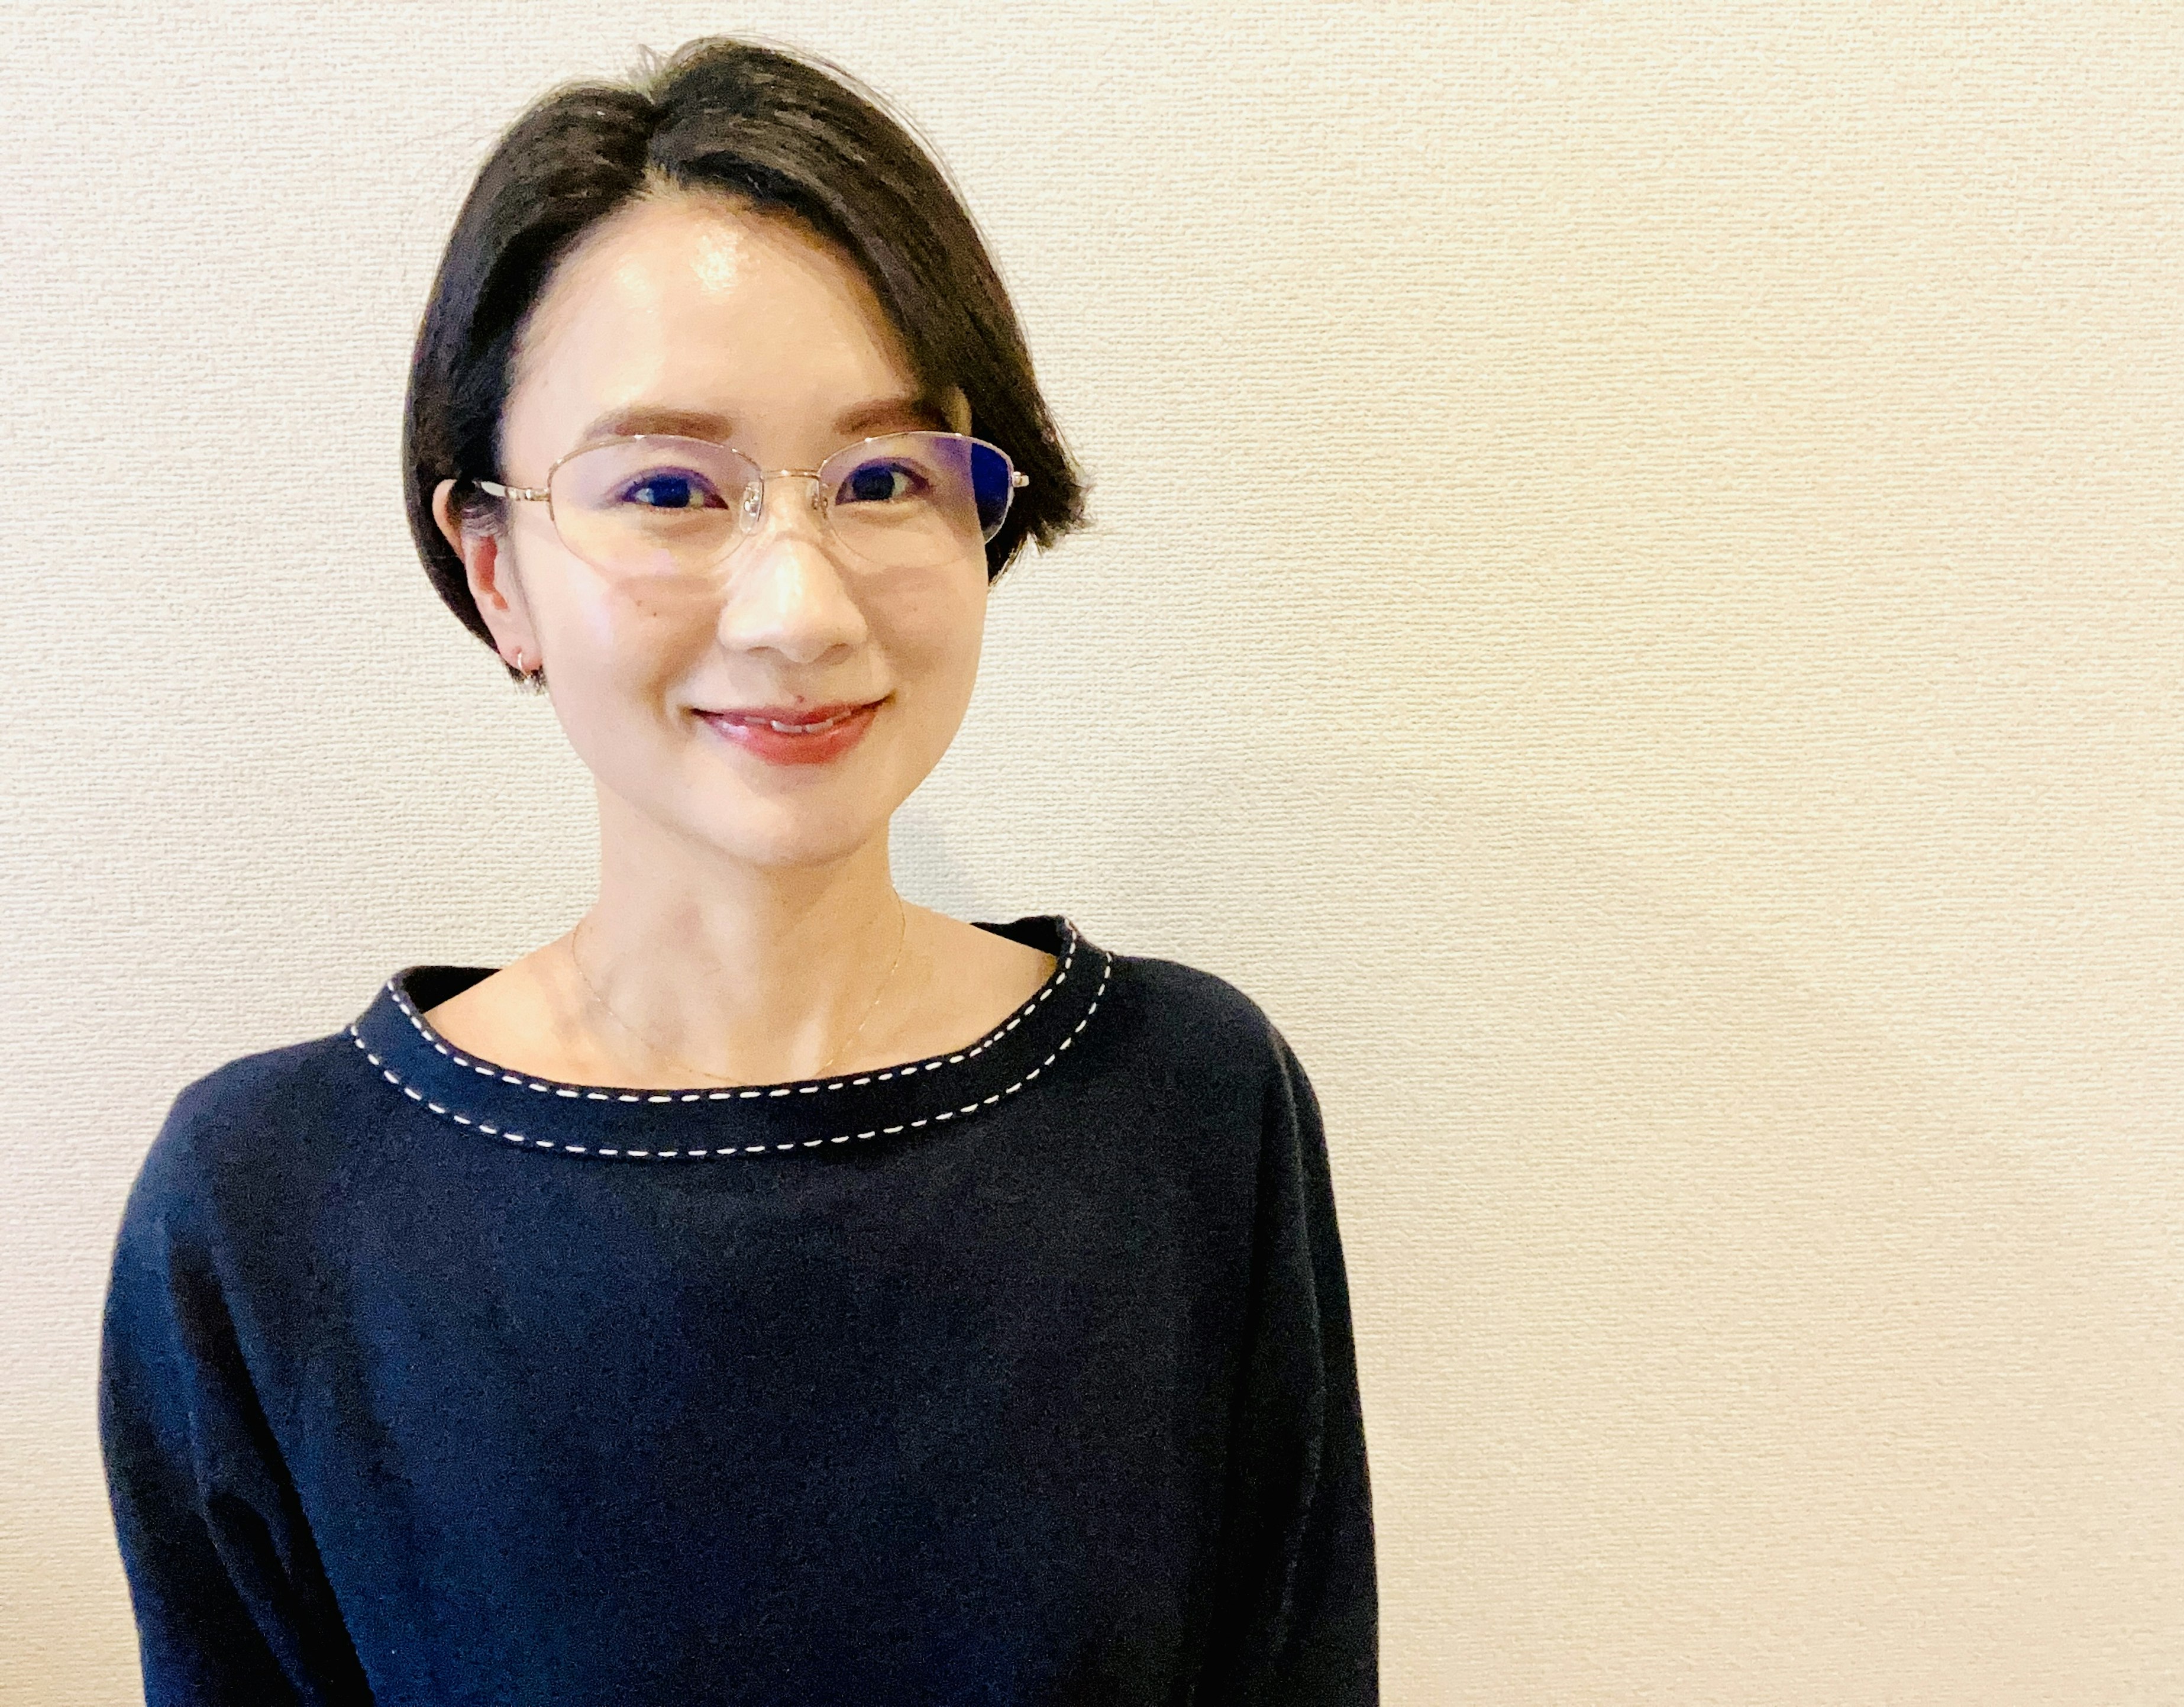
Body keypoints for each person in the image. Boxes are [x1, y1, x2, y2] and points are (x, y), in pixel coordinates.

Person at [97, 36, 1375, 1705]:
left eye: (885, 478)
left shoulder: (1193, 1111)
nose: (799, 606)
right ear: (498, 572)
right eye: (669, 489)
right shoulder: (268, 1212)